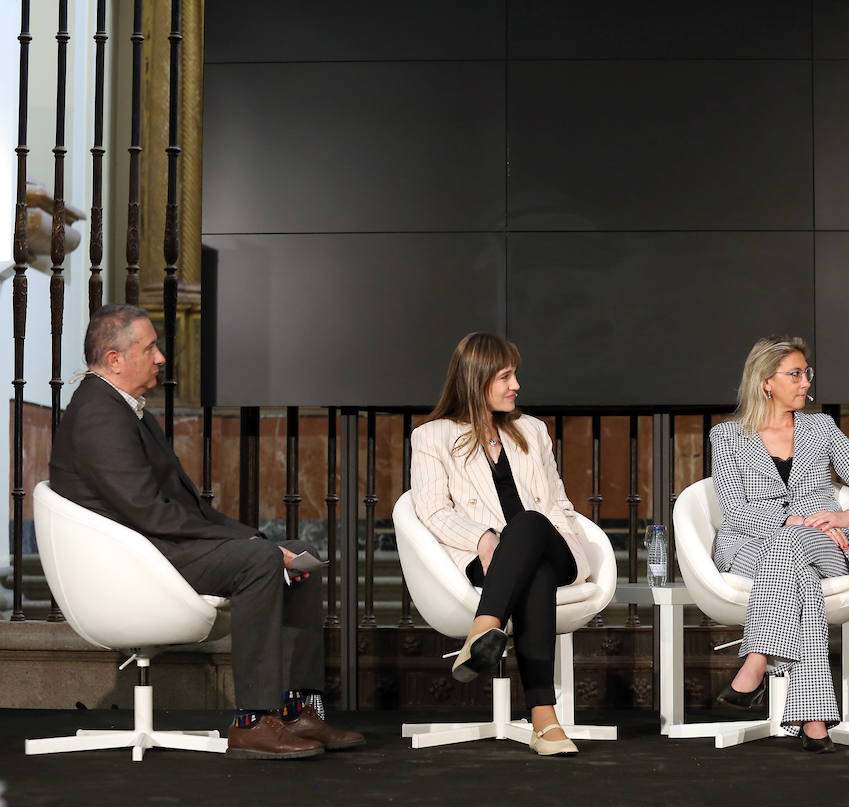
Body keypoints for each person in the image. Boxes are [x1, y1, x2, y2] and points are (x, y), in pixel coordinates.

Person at [48, 305, 363, 759]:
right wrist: (254, 549)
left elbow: (189, 508)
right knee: (261, 562)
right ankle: (254, 720)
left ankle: (296, 710)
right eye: (150, 348)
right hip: (136, 562)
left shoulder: (125, 411)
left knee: (298, 555)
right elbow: (149, 512)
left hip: (155, 549)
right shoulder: (98, 413)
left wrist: (257, 539)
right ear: (115, 359)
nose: (161, 358)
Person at [410, 332, 591, 756]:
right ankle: (544, 720)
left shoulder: (532, 430)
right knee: (533, 573)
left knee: (528, 525)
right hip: (486, 557)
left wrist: (539, 536)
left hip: (553, 547)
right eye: (506, 377)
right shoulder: (432, 437)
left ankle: (484, 628)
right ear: (476, 379)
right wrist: (482, 537)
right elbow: (432, 510)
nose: (516, 386)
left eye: (515, 376)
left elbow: (558, 501)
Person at [709, 336, 849, 753]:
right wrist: (789, 520)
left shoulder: (821, 428)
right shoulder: (727, 436)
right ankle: (814, 721)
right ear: (765, 381)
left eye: (807, 373)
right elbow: (735, 511)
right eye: (795, 374)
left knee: (793, 543)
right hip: (751, 547)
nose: (806, 382)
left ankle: (756, 661)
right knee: (801, 579)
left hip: (824, 543)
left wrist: (846, 516)